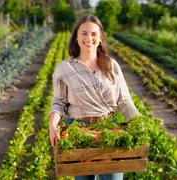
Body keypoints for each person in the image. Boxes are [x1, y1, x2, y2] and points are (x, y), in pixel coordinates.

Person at [49, 14, 140, 180]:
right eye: (83, 33)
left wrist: (138, 124)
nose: (88, 38)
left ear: (100, 38)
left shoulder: (111, 65)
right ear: (76, 37)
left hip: (109, 129)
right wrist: (52, 125)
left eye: (93, 34)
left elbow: (124, 100)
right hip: (78, 130)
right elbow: (58, 103)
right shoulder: (65, 68)